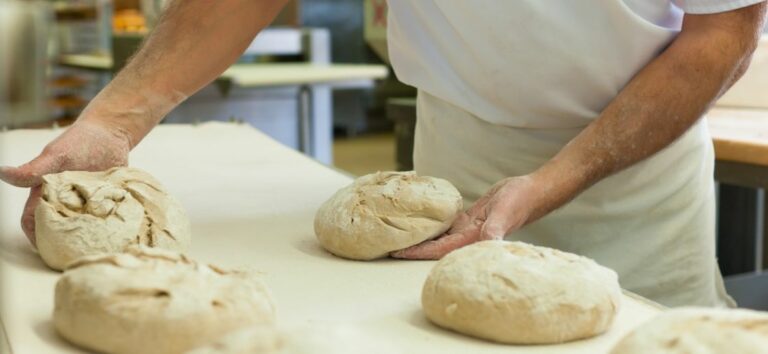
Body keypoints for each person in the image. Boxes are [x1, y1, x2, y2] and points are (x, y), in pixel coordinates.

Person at [1, 0, 766, 307]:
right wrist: (117, 119)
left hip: (633, 176)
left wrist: (545, 186)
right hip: (452, 164)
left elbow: (720, 35)